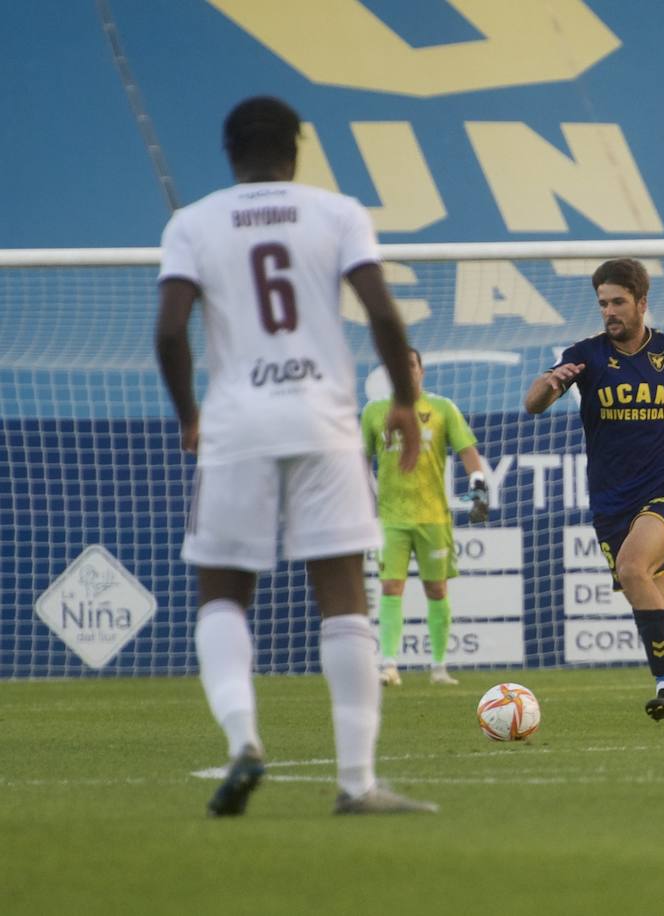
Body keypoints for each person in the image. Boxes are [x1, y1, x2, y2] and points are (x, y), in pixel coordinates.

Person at [155, 96, 436, 816]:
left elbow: (168, 330)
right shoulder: (336, 212)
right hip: (323, 419)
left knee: (222, 595)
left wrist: (192, 414)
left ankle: (244, 739)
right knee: (342, 595)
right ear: (297, 147)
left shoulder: (193, 223)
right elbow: (379, 310)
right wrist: (404, 400)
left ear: (228, 150)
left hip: (237, 422)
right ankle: (355, 783)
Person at [523, 258, 664, 733]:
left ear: (642, 302)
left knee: (631, 567)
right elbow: (533, 404)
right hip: (612, 508)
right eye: (603, 303)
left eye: (618, 302)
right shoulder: (587, 355)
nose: (610, 312)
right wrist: (548, 384)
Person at [363, 347, 488, 687]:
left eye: (411, 365)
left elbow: (468, 453)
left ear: (422, 371)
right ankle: (388, 664)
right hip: (391, 517)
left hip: (434, 516)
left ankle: (439, 667)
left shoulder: (443, 408)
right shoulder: (374, 412)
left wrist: (478, 488)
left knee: (436, 589)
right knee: (391, 586)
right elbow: (359, 461)